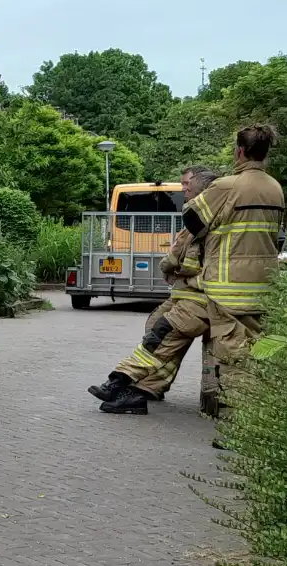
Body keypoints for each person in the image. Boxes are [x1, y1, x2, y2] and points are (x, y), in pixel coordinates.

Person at [182, 124, 285, 447]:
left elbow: (192, 220)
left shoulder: (227, 186)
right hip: (265, 284)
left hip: (228, 286)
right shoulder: (275, 187)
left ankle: (239, 430)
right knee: (259, 354)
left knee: (232, 357)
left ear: (239, 151)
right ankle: (263, 419)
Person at [89, 166, 218, 415]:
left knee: (160, 337)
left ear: (203, 188)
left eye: (187, 186)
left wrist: (173, 266)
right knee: (158, 331)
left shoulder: (205, 219)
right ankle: (146, 389)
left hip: (200, 297)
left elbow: (186, 260)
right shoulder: (199, 216)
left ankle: (120, 382)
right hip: (188, 294)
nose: (184, 190)